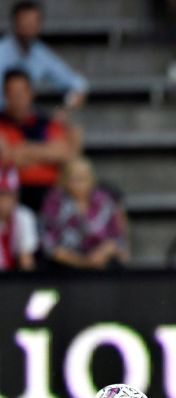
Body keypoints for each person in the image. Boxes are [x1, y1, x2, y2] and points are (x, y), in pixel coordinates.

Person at [0, 69, 82, 212]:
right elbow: (8, 157)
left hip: (49, 192)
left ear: (30, 93)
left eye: (21, 93)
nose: (17, 99)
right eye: (12, 94)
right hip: (12, 196)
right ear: (5, 95)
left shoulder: (45, 122)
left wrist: (25, 149)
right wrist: (45, 152)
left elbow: (64, 153)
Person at [41, 158, 128, 270]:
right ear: (64, 180)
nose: (79, 184)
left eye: (83, 178)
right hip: (66, 262)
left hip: (99, 259)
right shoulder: (54, 202)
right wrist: (80, 262)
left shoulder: (103, 200)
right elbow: (48, 243)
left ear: (92, 179)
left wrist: (103, 252)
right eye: (75, 179)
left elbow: (117, 237)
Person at [0, 0, 88, 110]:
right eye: (25, 21)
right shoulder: (2, 52)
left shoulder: (41, 53)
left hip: (24, 120)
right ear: (15, 22)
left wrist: (66, 108)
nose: (29, 26)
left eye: (33, 22)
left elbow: (77, 83)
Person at [0, 165, 38, 271]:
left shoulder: (24, 216)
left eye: (9, 195)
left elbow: (26, 259)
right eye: (1, 194)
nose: (4, 201)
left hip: (12, 278)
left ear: (16, 196)